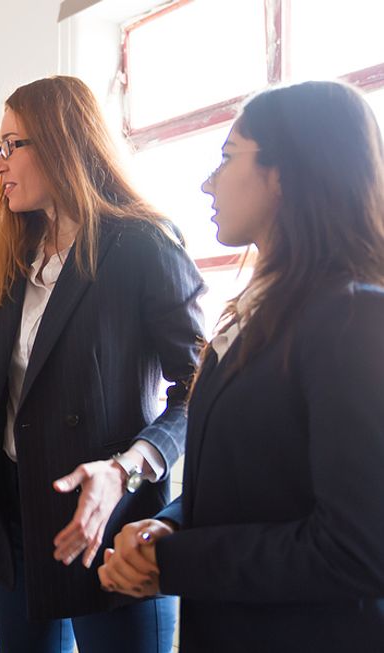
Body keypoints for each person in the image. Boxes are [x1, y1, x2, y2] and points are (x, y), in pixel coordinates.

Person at [0, 76, 205, 652]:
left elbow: (198, 388)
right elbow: (8, 394)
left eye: (11, 146)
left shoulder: (143, 245)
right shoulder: (15, 254)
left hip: (109, 521)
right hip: (18, 516)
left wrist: (129, 467)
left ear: (62, 142)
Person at [99, 80, 384, 652]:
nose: (209, 181)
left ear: (285, 174)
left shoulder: (354, 317)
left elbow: (355, 549)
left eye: (228, 157)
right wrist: (171, 524)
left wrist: (175, 561)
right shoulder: (260, 312)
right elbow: (249, 484)